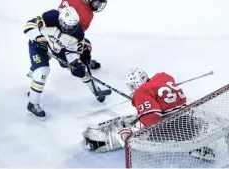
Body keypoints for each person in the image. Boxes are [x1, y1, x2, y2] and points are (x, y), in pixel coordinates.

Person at [81, 68, 215, 161]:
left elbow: (152, 119)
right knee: (144, 117)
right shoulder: (163, 77)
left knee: (132, 130)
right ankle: (192, 145)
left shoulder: (142, 91)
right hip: (187, 121)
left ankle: (100, 142)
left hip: (171, 127)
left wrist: (132, 131)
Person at [24, 6, 109, 120]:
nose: (70, 28)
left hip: (58, 49)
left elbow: (72, 51)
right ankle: (32, 104)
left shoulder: (78, 34)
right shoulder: (50, 17)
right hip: (38, 46)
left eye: (72, 26)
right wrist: (38, 38)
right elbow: (29, 25)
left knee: (81, 68)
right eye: (67, 26)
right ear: (60, 20)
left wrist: (74, 63)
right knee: (42, 72)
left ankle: (95, 89)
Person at [58, 0, 108, 70]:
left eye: (101, 3)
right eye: (97, 2)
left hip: (54, 22)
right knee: (87, 47)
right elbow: (77, 35)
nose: (99, 6)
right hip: (63, 36)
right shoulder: (88, 15)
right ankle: (80, 64)